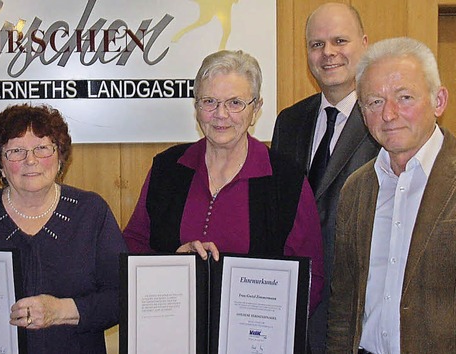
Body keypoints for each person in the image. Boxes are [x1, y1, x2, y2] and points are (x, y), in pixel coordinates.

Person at [123, 49, 324, 310]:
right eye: (209, 101)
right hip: (174, 334)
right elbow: (133, 246)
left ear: (256, 109)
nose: (221, 114)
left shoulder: (286, 181)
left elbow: (311, 278)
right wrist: (173, 264)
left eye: (235, 103)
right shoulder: (167, 169)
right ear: (196, 106)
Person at [0, 104, 127, 353]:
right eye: (17, 151)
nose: (31, 160)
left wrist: (60, 311)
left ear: (60, 157)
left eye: (42, 148)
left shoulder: (91, 212)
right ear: (0, 163)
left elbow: (122, 297)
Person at [327, 37, 455, 353]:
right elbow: (344, 303)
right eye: (374, 102)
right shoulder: (356, 189)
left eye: (405, 97)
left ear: (439, 101)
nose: (389, 114)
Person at [270, 3, 379, 352]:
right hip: (293, 314)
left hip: (358, 317)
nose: (328, 53)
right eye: (317, 44)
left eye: (340, 40)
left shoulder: (385, 121)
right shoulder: (289, 122)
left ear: (364, 43)